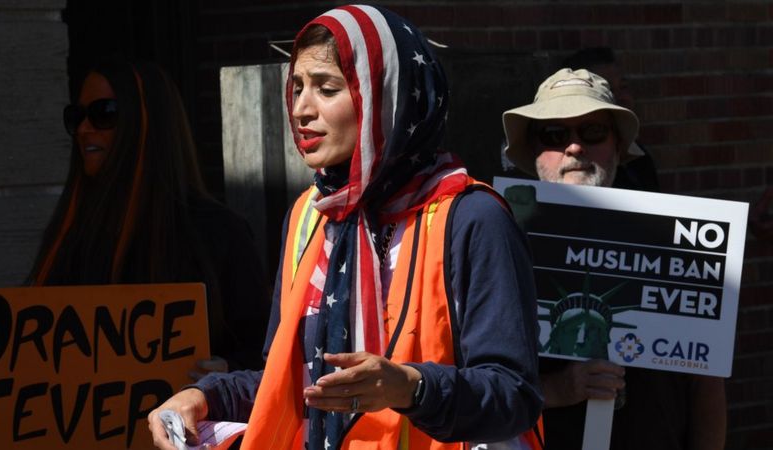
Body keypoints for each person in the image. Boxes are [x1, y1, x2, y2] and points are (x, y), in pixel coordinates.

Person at [148, 5, 543, 449]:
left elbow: (514, 395)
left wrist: (411, 387)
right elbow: (289, 381)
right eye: (296, 86)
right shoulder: (309, 215)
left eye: (327, 88)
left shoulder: (473, 218)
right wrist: (204, 397)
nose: (300, 108)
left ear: (388, 98)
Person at [501, 67, 727, 450]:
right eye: (555, 135)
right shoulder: (498, 239)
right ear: (534, 152)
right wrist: (555, 390)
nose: (575, 147)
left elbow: (706, 387)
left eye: (592, 132)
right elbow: (472, 380)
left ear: (619, 148)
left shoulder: (679, 243)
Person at [29, 59, 270, 375]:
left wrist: (226, 371)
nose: (84, 129)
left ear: (148, 125)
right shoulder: (71, 233)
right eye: (76, 117)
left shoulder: (219, 232)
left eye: (105, 114)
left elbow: (265, 354)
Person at [560, 47, 660, 192]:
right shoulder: (577, 167)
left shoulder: (639, 158)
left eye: (623, 87)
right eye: (608, 91)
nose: (623, 98)